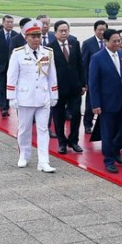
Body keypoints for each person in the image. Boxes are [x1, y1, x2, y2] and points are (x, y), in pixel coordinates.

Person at [6, 20, 58, 173]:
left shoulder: (47, 52)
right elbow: (12, 76)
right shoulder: (18, 53)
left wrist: (54, 94)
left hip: (43, 97)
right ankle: (24, 155)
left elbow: (52, 75)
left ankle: (43, 161)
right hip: (25, 97)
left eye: (38, 36)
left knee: (43, 130)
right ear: (26, 37)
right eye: (33, 36)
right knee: (24, 129)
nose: (36, 39)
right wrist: (12, 97)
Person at [88, 29, 122, 174]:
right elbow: (93, 83)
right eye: (114, 41)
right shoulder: (97, 58)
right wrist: (95, 104)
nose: (118, 43)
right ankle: (109, 160)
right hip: (107, 102)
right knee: (108, 133)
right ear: (106, 42)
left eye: (119, 40)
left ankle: (114, 150)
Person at [50, 20, 85, 154]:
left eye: (66, 30)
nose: (64, 33)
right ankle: (62, 142)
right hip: (58, 88)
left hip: (74, 87)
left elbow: (80, 65)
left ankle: (74, 140)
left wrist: (83, 83)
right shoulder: (49, 47)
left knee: (76, 114)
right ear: (56, 33)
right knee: (58, 116)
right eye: (61, 31)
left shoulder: (74, 44)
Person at [81, 20, 108, 135]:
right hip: (93, 79)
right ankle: (88, 124)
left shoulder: (109, 42)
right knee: (91, 103)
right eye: (99, 30)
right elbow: (84, 63)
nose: (102, 32)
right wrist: (85, 81)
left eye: (104, 30)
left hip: (106, 80)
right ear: (95, 30)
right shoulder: (88, 43)